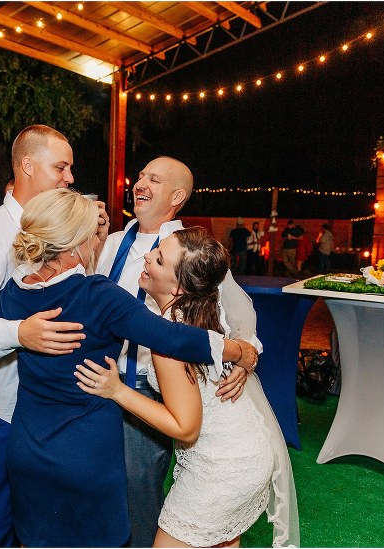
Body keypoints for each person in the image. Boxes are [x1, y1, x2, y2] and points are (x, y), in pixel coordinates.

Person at [0, 189, 258, 547]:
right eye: (92, 233)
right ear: (75, 244)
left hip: (27, 451)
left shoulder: (11, 293)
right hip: (86, 455)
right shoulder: (97, 295)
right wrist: (239, 350)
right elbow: (173, 338)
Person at [78, 227, 299, 548]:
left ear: (179, 285)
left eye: (159, 259)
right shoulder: (204, 310)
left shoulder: (169, 338)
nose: (147, 257)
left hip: (221, 470)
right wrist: (243, 353)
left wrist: (117, 391)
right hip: (247, 452)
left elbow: (185, 427)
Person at [96, 156, 261, 548]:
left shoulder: (190, 251)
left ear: (177, 196)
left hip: (152, 392)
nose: (140, 184)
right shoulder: (116, 242)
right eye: (140, 177)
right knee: (104, 485)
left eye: (153, 179)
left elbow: (241, 315)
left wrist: (246, 355)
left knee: (141, 493)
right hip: (106, 382)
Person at [0, 125, 98, 548]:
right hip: (8, 403)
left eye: (69, 168)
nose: (70, 177)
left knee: (33, 517)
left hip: (49, 403)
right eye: (61, 167)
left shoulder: (52, 229)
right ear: (28, 166)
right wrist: (21, 332)